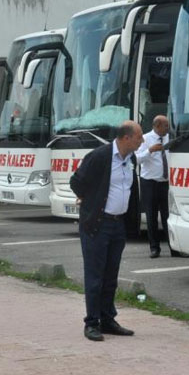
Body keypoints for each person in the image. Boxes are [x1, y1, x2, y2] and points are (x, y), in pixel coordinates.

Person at [70, 121, 143, 341]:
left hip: (117, 224)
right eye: (139, 136)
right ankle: (92, 322)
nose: (142, 141)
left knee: (111, 276)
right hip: (97, 224)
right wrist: (90, 201)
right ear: (126, 138)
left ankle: (107, 319)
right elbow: (77, 182)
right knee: (95, 276)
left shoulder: (131, 159)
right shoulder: (99, 156)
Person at [136, 116, 189, 259]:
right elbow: (137, 159)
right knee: (151, 216)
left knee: (169, 216)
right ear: (157, 125)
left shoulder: (169, 138)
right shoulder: (145, 139)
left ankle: (175, 249)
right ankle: (155, 248)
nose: (168, 128)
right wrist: (150, 151)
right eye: (166, 126)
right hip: (149, 182)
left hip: (166, 182)